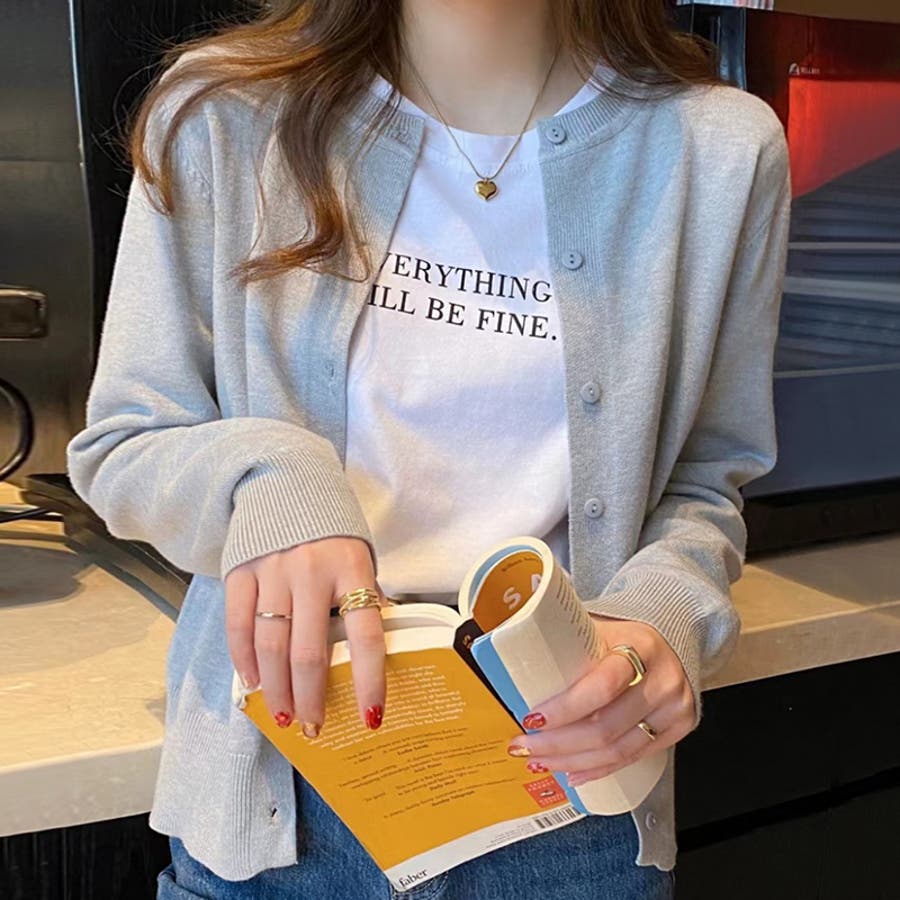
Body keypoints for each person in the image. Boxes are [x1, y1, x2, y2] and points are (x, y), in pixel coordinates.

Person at [65, 0, 791, 897]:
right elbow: (125, 441)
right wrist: (273, 480)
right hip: (277, 800)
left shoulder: (721, 152)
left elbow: (707, 477)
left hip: (573, 806)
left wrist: (665, 615)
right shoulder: (221, 114)